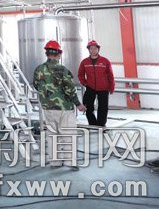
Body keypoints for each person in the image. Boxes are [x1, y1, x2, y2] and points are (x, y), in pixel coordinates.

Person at [33, 40, 86, 170]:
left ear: (47, 53)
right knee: (68, 135)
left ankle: (55, 162)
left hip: (48, 108)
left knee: (52, 135)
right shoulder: (62, 70)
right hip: (64, 108)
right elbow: (70, 90)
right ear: (59, 54)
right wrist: (78, 104)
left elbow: (36, 86)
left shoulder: (39, 69)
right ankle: (70, 162)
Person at [78, 40, 115, 127]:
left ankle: (101, 124)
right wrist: (85, 83)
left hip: (103, 88)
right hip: (90, 87)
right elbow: (80, 74)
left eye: (95, 48)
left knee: (103, 107)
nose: (93, 50)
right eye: (91, 48)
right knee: (88, 106)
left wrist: (111, 87)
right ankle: (92, 124)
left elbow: (110, 75)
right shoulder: (84, 62)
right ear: (89, 50)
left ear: (98, 49)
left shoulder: (105, 61)